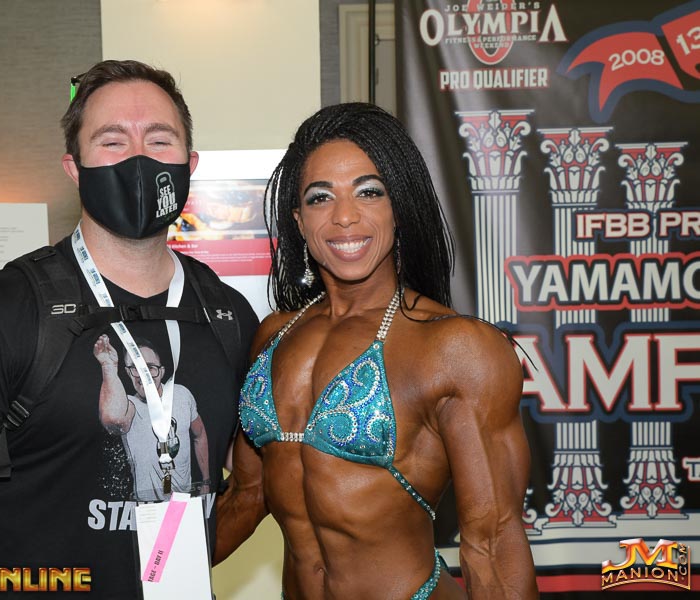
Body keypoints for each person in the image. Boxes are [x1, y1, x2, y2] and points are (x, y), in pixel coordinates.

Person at [0, 59, 258, 599]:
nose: (138, 158)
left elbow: (250, 478)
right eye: (112, 141)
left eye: (159, 140)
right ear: (74, 168)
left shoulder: (227, 315)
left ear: (189, 164)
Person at [214, 103, 537, 599]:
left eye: (369, 192)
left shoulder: (455, 347)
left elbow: (492, 543)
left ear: (398, 207)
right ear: (299, 220)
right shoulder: (274, 335)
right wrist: (137, 576)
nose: (345, 216)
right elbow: (247, 492)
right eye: (321, 198)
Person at [94, 335, 210, 501]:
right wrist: (109, 367)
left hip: (182, 502)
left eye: (150, 367)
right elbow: (113, 419)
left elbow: (200, 434)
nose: (143, 375)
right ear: (128, 372)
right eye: (135, 368)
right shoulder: (129, 405)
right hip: (148, 507)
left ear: (161, 371)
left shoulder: (182, 395)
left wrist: (206, 481)